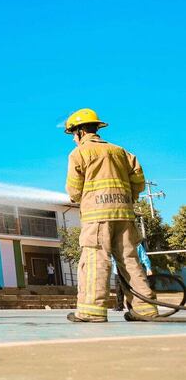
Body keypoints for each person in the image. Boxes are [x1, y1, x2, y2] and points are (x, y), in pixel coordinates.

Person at [63, 108, 158, 322]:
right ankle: (145, 309)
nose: (73, 140)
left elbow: (74, 189)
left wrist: (78, 197)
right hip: (124, 215)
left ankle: (91, 311)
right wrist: (128, 197)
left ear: (79, 132)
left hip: (97, 217)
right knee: (130, 259)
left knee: (95, 259)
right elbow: (138, 182)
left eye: (73, 136)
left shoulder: (80, 153)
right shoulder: (121, 151)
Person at [114, 242, 154, 311]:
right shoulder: (117, 244)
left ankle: (132, 306)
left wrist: (148, 267)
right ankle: (119, 305)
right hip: (118, 269)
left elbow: (143, 256)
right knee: (119, 288)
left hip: (132, 270)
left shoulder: (137, 245)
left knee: (133, 289)